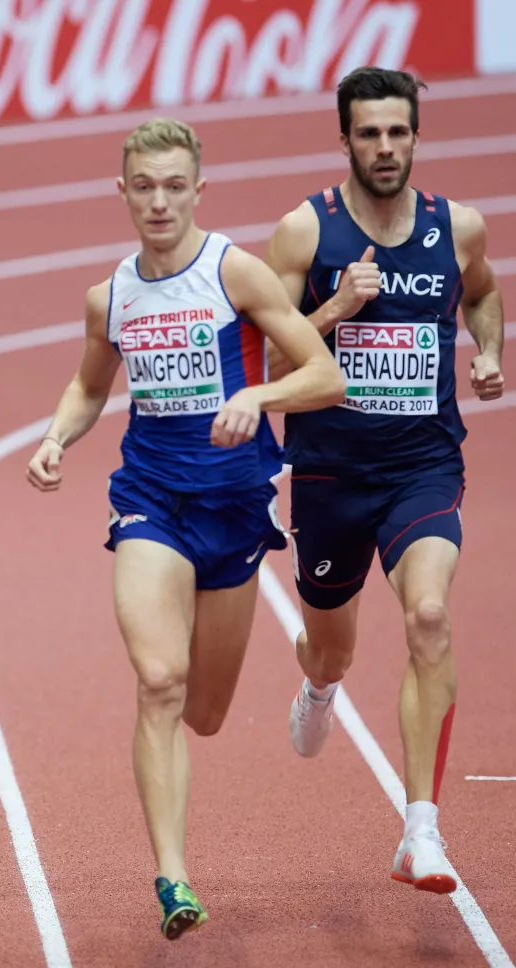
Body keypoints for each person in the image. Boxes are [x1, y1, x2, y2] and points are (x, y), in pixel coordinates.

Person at [24, 118, 345, 939]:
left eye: (175, 186)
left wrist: (257, 399)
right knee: (160, 680)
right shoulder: (112, 297)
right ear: (122, 191)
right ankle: (172, 877)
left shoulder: (234, 272)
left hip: (235, 509)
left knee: (204, 712)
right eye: (145, 185)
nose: (159, 200)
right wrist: (59, 436)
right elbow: (90, 386)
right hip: (150, 502)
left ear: (197, 190)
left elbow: (323, 373)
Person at [265, 67, 504, 894]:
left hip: (422, 467)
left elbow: (483, 296)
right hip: (330, 474)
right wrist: (331, 311)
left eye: (398, 131)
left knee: (430, 615)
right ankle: (319, 684)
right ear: (344, 140)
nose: (386, 147)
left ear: (415, 136)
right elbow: (263, 360)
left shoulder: (457, 226)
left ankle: (421, 830)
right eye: (369, 133)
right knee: (332, 648)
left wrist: (490, 351)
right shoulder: (304, 233)